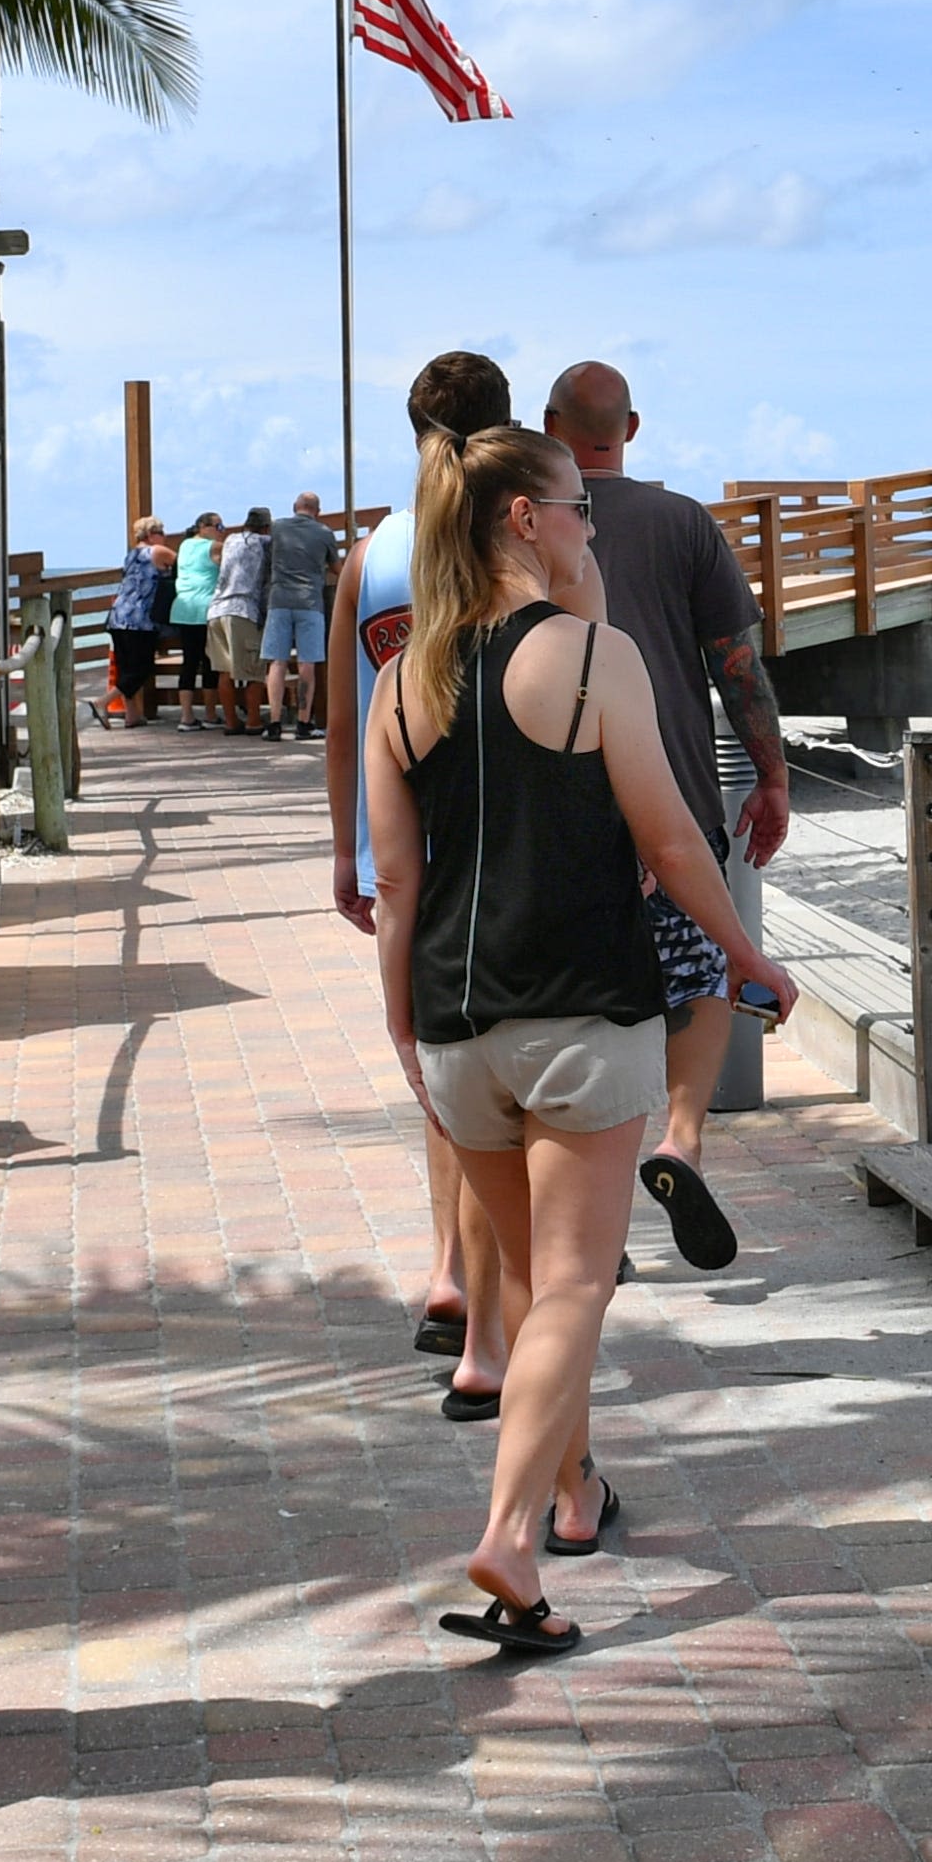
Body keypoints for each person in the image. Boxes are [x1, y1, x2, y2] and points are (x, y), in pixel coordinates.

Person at [368, 423, 788, 1658]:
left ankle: (568, 1500)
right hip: (578, 1017)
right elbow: (669, 841)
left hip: (455, 1023)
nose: (590, 525)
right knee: (574, 1284)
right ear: (522, 520)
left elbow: (397, 881)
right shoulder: (594, 657)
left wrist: (401, 1022)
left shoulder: (405, 678)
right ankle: (508, 1531)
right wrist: (747, 956)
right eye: (575, 510)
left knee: (532, 1276)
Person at [543, 361, 795, 1272]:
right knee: (699, 979)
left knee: (578, 1006)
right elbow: (737, 665)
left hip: (560, 808)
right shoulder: (684, 520)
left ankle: (591, 1206)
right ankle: (680, 1138)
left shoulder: (526, 524)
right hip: (676, 796)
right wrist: (771, 776)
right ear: (631, 426)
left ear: (549, 425)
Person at [329, 352, 510, 1383]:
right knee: (506, 1077)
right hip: (504, 842)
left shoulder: (373, 553)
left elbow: (345, 715)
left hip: (403, 847)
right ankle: (490, 1295)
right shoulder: (514, 543)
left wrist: (343, 844)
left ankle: (446, 1263)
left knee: (443, 1073)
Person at [258, 496, 337, 745]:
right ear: (318, 512)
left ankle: (274, 722)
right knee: (307, 664)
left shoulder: (278, 527)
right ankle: (304, 722)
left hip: (279, 600)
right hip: (310, 602)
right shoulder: (324, 532)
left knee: (277, 663)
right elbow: (338, 568)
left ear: (294, 508)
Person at [213, 508, 274, 734]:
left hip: (217, 608)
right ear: (267, 527)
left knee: (224, 670)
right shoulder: (265, 542)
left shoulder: (230, 540)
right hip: (243, 610)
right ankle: (253, 721)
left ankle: (231, 721)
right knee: (253, 670)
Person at [105, 516, 171, 725]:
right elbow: (184, 564)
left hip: (118, 614)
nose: (165, 536)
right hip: (140, 618)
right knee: (142, 668)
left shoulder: (131, 555)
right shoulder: (158, 552)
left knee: (126, 667)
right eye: (161, 532)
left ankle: (132, 714)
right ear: (151, 535)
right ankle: (102, 702)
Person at [170, 512, 226, 723]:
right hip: (205, 609)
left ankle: (187, 716)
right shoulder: (214, 547)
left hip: (183, 609)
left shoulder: (184, 545)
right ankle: (210, 714)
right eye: (218, 526)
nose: (222, 531)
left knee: (189, 663)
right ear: (204, 527)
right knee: (210, 664)